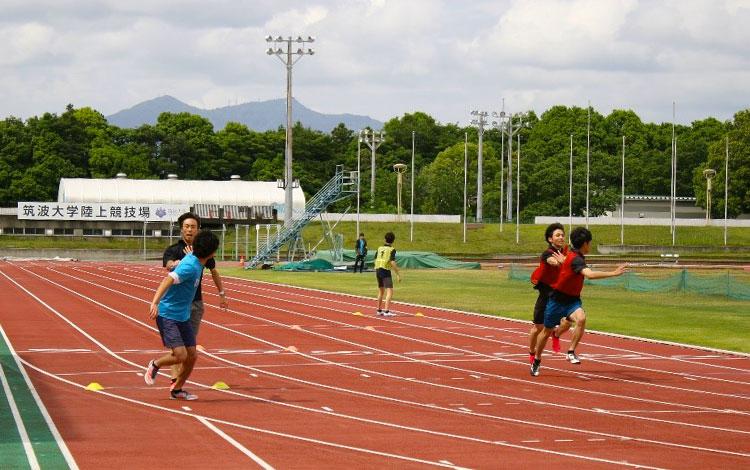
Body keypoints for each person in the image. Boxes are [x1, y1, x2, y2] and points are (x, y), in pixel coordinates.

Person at [531, 227, 627, 377]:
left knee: (581, 318)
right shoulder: (576, 259)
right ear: (585, 244)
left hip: (573, 300)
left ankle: (570, 351)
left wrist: (563, 262)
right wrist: (613, 273)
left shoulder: (573, 256)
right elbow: (590, 275)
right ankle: (536, 360)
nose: (590, 246)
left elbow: (569, 264)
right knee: (546, 331)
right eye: (590, 243)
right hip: (557, 300)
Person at [144, 230, 220, 399]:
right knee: (180, 355)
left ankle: (177, 389)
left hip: (183, 316)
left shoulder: (197, 260)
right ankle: (155, 364)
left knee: (192, 356)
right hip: (168, 314)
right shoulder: (190, 267)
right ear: (212, 252)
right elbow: (168, 279)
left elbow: (193, 254)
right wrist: (155, 302)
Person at [163, 212, 228, 386]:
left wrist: (222, 294)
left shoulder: (204, 249)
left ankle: (179, 380)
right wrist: (184, 260)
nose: (190, 230)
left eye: (193, 227)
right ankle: (174, 379)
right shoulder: (174, 250)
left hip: (195, 304)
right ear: (181, 229)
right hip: (176, 305)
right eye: (186, 226)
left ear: (198, 229)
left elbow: (214, 271)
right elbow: (169, 266)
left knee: (189, 346)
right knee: (178, 347)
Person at [528, 223, 568, 364]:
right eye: (558, 235)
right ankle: (532, 353)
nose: (561, 237)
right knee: (538, 327)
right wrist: (559, 262)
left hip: (559, 294)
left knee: (570, 319)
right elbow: (552, 262)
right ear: (550, 239)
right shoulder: (547, 253)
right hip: (545, 294)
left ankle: (556, 335)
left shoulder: (566, 252)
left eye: (563, 235)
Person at [374, 231, 401, 316]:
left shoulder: (379, 248)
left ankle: (378, 310)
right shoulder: (392, 249)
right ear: (393, 241)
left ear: (385, 239)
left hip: (378, 269)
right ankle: (386, 311)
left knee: (381, 291)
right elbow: (392, 262)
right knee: (390, 291)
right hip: (385, 270)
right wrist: (398, 274)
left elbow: (376, 258)